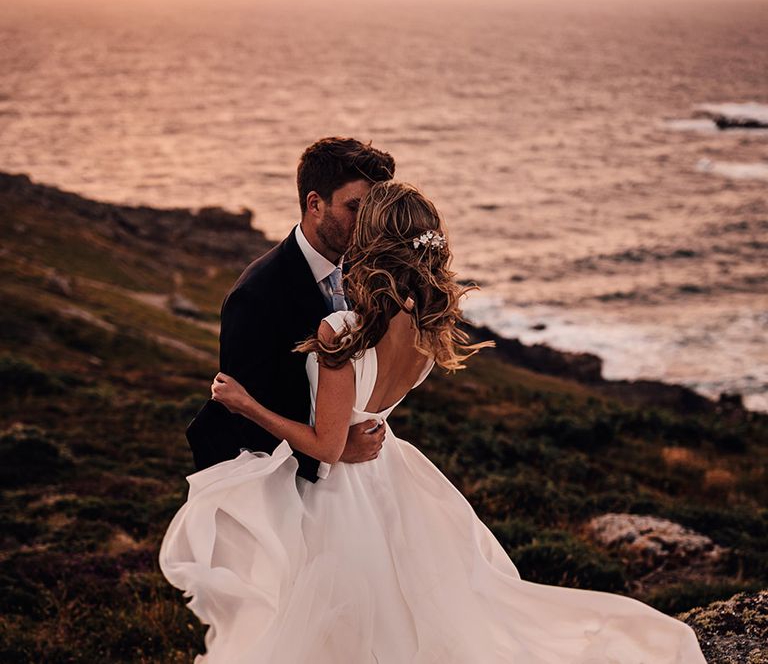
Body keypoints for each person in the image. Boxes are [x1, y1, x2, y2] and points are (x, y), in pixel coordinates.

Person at [160, 182, 707, 663]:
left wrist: (248, 406)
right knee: (402, 613)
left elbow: (327, 447)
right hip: (386, 476)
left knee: (344, 623)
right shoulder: (428, 325)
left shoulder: (340, 331)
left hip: (340, 496)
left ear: (373, 240)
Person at [184, 136, 395, 481]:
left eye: (371, 211)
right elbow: (244, 418)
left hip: (346, 474)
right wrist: (336, 452)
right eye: (355, 208)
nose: (366, 223)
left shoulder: (363, 273)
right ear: (315, 204)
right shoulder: (255, 295)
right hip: (274, 482)